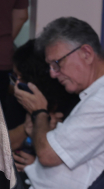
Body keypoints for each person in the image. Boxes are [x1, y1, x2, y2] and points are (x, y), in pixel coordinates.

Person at [13, 17, 104, 189]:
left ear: (86, 53)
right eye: (50, 66)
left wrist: (39, 111)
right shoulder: (95, 95)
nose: (53, 73)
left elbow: (49, 155)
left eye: (57, 64)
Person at [8, 40, 78, 170]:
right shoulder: (19, 99)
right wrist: (30, 126)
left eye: (21, 78)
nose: (16, 84)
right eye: (14, 77)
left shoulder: (71, 105)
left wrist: (35, 166)